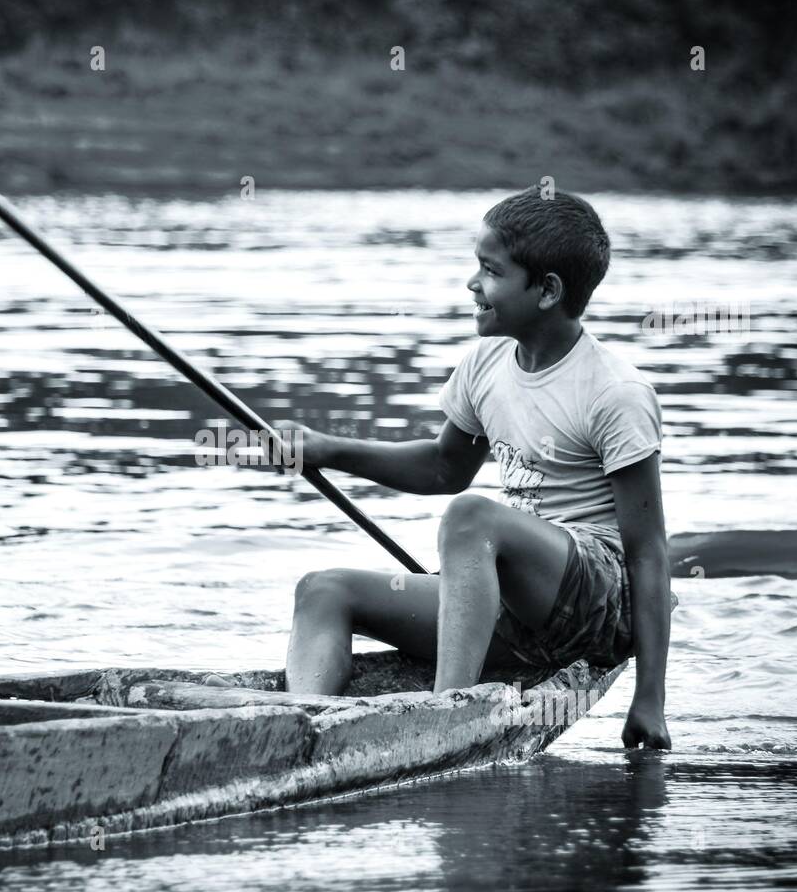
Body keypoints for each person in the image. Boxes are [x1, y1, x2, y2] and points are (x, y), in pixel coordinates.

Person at [278, 186, 672, 750]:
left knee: (472, 517)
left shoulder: (616, 393)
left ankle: (446, 716)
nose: (472, 284)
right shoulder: (485, 362)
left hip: (596, 600)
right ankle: (301, 732)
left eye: (490, 271)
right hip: (516, 604)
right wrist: (327, 449)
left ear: (548, 291)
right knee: (322, 590)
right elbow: (443, 468)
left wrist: (650, 700)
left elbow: (648, 551)